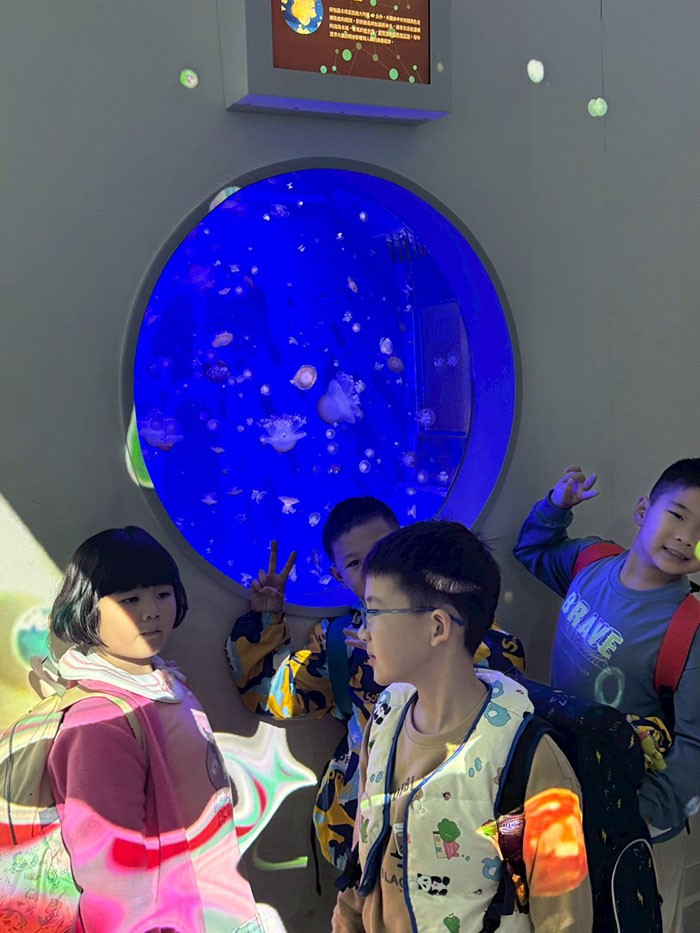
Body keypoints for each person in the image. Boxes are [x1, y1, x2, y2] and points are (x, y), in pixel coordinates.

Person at [226, 497, 526, 875]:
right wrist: (266, 618)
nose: (372, 568)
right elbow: (273, 697)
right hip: (364, 828)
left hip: (456, 821)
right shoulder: (339, 640)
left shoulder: (455, 619)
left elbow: (505, 674)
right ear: (339, 576)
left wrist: (409, 653)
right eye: (355, 563)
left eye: (383, 550)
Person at [332, 520, 592, 932]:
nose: (363, 630)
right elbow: (365, 852)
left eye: (375, 611)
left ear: (437, 627)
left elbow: (563, 919)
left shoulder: (528, 760)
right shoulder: (386, 717)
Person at [45, 526, 263, 932]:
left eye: (162, 594)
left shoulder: (162, 682)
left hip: (216, 903)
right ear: (86, 607)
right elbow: (110, 873)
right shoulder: (99, 722)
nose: (151, 611)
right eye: (129, 599)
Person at [513, 460, 700, 933]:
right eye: (677, 515)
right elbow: (532, 549)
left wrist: (643, 817)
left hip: (638, 829)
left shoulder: (690, 631)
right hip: (564, 796)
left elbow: (696, 746)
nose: (686, 538)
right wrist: (555, 508)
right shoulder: (592, 561)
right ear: (642, 509)